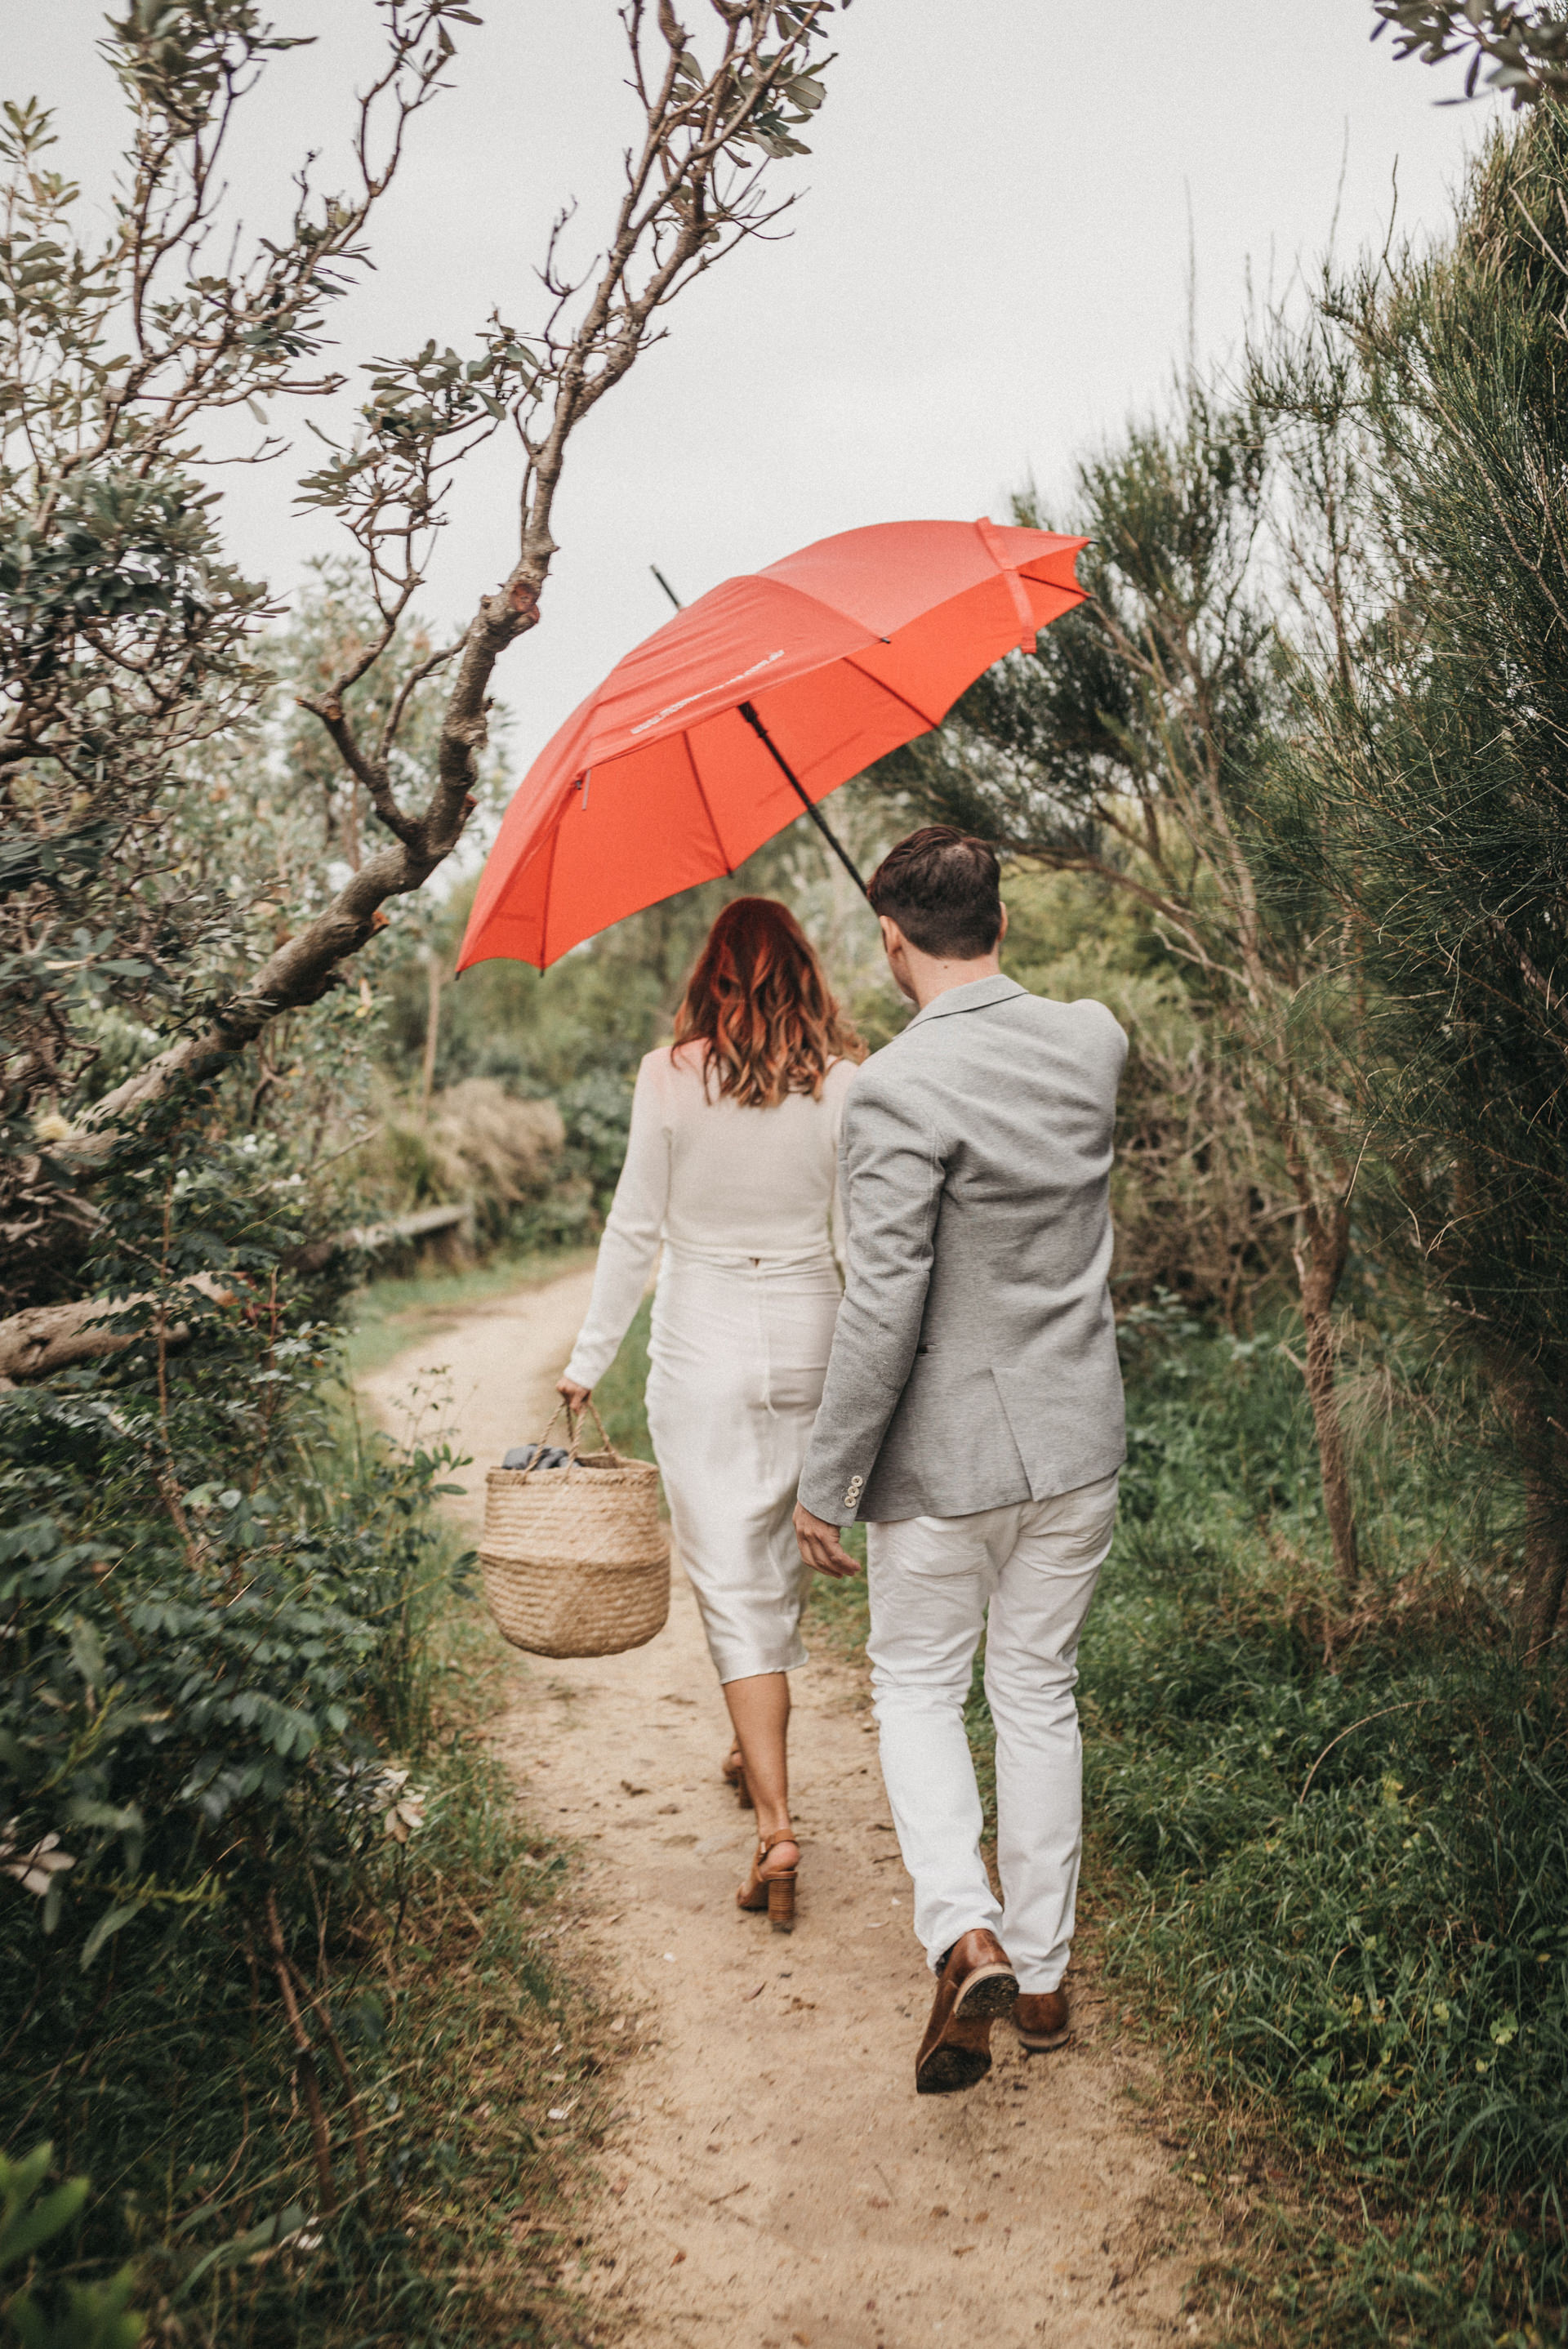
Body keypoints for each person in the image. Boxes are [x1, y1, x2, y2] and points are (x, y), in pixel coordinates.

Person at [793, 827, 1127, 2093]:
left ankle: (963, 1930)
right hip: (1078, 1444)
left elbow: (884, 1308)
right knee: (1037, 1688)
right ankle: (1041, 1980)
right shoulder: (1091, 1041)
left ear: (890, 939)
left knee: (920, 1686)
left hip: (945, 1464)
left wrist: (828, 1482)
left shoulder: (892, 1088)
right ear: (1002, 922)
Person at [557, 897, 862, 1931]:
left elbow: (634, 1229)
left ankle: (776, 1825)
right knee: (788, 1531)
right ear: (805, 978)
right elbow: (861, 1240)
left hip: (705, 1340)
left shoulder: (668, 1076)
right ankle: (753, 1737)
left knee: (731, 1575)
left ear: (711, 978)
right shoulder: (846, 1084)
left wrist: (586, 1358)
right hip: (816, 1332)